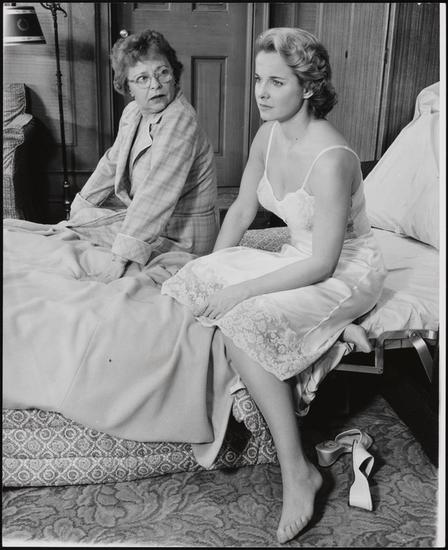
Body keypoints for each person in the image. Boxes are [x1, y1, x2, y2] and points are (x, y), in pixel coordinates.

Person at [162, 27, 387, 543]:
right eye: (259, 79)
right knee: (191, 281)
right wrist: (213, 269)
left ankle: (298, 471)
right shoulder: (268, 134)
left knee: (243, 320)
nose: (261, 93)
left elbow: (324, 263)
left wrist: (240, 290)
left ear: (307, 87)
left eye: (276, 82)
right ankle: (331, 333)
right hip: (296, 254)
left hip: (344, 268)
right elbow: (243, 209)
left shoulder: (332, 158)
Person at [68, 29, 219, 283]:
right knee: (79, 220)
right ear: (127, 87)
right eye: (142, 78)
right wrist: (81, 205)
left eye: (163, 73)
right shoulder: (133, 112)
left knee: (82, 236)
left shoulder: (179, 119)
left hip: (181, 236)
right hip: (156, 225)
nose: (155, 85)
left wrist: (119, 260)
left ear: (174, 75)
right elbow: (111, 163)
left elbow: (156, 194)